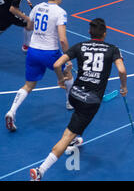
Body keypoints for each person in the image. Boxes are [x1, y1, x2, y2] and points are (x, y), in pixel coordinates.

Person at [30, 18, 128, 181]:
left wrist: (61, 79)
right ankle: (40, 171)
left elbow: (57, 64)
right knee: (67, 135)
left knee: (77, 118)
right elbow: (122, 70)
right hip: (90, 101)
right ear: (105, 33)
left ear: (90, 33)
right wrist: (123, 87)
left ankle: (74, 139)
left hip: (74, 94)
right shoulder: (113, 49)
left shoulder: (80, 46)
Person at [5, 0, 74, 132]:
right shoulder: (60, 12)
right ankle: (69, 102)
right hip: (50, 53)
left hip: (33, 51)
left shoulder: (36, 7)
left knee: (29, 85)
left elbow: (29, 27)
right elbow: (62, 39)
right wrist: (67, 58)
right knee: (68, 74)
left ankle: (12, 111)